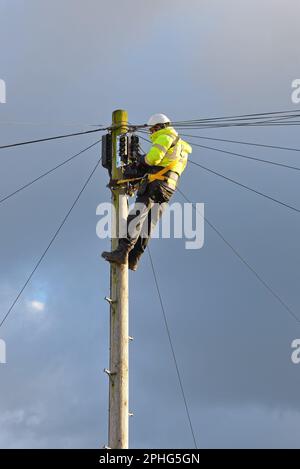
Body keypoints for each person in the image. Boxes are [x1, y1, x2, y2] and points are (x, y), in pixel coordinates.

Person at [102, 113, 192, 271]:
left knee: (136, 216)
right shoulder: (182, 146)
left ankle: (122, 252)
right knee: (149, 225)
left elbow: (153, 160)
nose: (151, 133)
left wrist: (139, 160)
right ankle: (134, 259)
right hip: (168, 188)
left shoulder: (165, 137)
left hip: (155, 184)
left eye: (152, 130)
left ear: (159, 127)